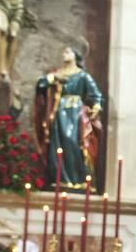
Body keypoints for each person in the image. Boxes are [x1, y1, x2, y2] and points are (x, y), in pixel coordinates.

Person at [35, 44, 104, 188]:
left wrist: (96, 107)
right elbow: (40, 85)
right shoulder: (58, 73)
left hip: (75, 113)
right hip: (58, 112)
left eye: (67, 52)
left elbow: (96, 95)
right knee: (56, 144)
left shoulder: (82, 75)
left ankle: (77, 179)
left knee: (72, 143)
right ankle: (59, 179)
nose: (63, 55)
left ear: (75, 55)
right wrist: (53, 78)